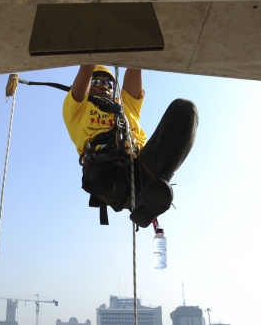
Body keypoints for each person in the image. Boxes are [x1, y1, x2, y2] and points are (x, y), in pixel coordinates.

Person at [62, 65, 198, 228]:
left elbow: (135, 65)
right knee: (104, 167)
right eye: (97, 81)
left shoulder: (126, 107)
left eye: (109, 83)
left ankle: (157, 186)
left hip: (142, 171)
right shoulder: (77, 110)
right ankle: (148, 194)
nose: (104, 85)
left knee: (185, 108)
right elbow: (86, 68)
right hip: (109, 177)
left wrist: (134, 50)